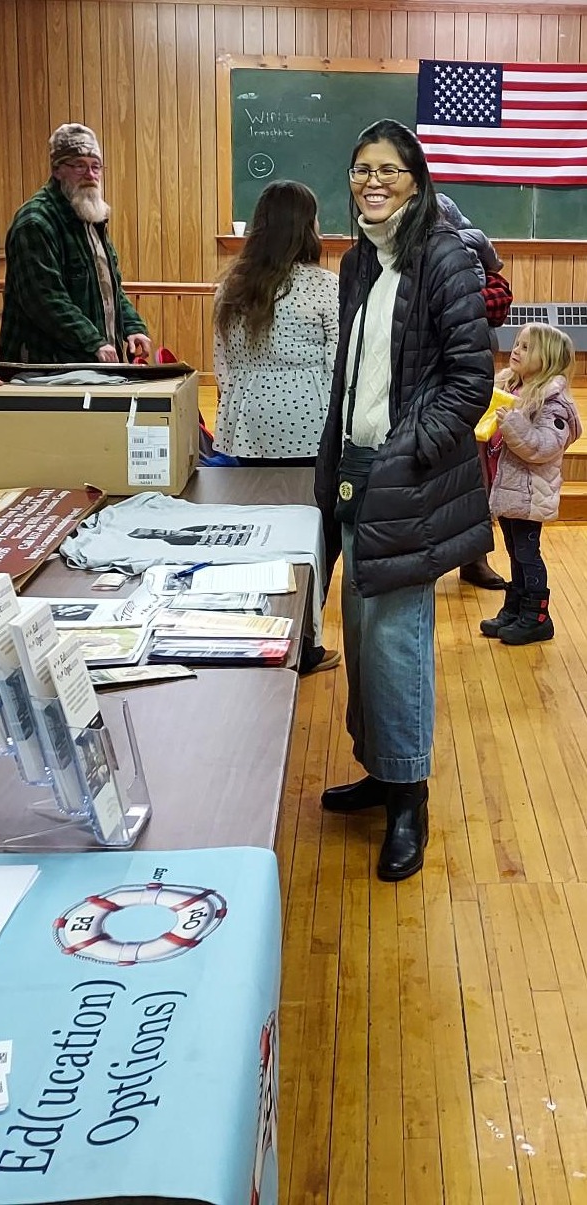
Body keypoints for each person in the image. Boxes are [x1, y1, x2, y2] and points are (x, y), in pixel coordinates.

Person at [315, 119, 494, 882]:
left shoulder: (443, 256)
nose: (372, 180)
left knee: (397, 641)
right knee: (360, 632)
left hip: (406, 478)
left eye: (387, 168)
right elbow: (354, 374)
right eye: (361, 169)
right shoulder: (359, 260)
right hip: (356, 471)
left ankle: (409, 799)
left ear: (415, 180)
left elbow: (469, 378)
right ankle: (383, 769)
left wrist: (409, 451)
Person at [0, 123, 151, 365]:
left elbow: (109, 288)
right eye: (79, 165)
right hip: (43, 369)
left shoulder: (90, 216)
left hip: (88, 362)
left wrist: (132, 326)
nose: (90, 175)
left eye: (96, 166)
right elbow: (44, 300)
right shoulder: (35, 222)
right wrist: (93, 341)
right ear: (57, 170)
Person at [212, 180, 338, 466]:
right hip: (309, 421)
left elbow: (222, 364)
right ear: (305, 228)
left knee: (255, 504)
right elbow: (337, 362)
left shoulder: (231, 287)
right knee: (306, 504)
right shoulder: (325, 285)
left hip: (247, 421)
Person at [480, 323, 580, 645]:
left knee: (527, 553)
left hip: (529, 493)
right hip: (508, 489)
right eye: (518, 344)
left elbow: (542, 447)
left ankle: (538, 616)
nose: (516, 350)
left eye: (526, 347)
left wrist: (511, 422)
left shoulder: (553, 404)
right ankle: (516, 607)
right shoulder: (512, 388)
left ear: (547, 359)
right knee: (514, 552)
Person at [437, 193, 513, 591]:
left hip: (474, 372)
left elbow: (500, 301)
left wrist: (459, 302)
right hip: (424, 376)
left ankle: (474, 557)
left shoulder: (473, 244)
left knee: (475, 468)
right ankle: (422, 560)